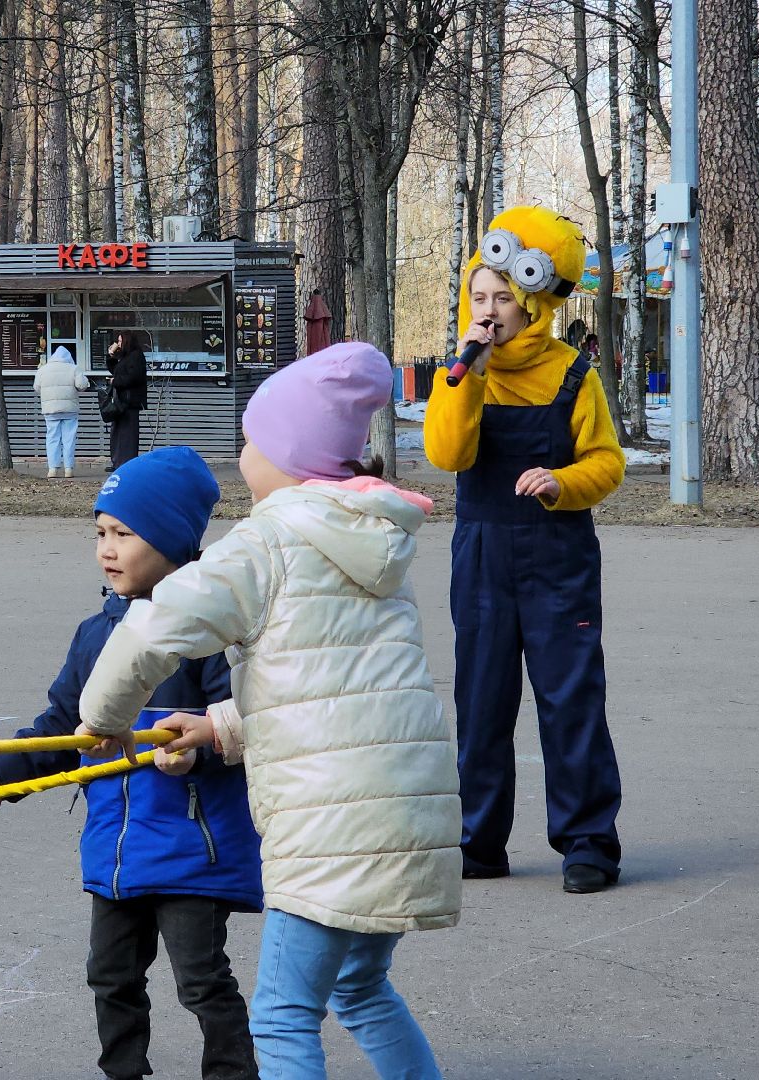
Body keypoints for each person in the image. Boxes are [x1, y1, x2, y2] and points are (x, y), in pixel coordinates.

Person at [76, 343, 461, 1080]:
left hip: (330, 831)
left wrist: (102, 717)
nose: (244, 455)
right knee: (360, 987)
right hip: (405, 816)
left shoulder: (268, 538)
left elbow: (154, 629)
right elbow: (333, 698)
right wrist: (220, 726)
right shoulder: (369, 541)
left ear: (287, 457)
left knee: (283, 1019)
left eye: (252, 441)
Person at [0, 447, 262, 1080]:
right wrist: (1, 774)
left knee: (202, 983)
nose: (107, 548)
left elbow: (242, 728)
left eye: (124, 533)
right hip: (115, 851)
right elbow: (59, 729)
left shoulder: (209, 632)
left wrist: (193, 747)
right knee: (111, 978)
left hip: (190, 853)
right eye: (100, 532)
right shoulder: (95, 633)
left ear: (175, 540)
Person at [424, 206, 628, 894]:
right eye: (478, 297)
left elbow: (607, 464)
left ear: (533, 302)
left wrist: (562, 482)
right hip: (480, 549)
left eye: (503, 299)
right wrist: (468, 374)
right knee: (481, 699)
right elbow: (447, 451)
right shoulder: (461, 370)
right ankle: (478, 839)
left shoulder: (574, 373)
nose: (489, 311)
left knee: (569, 697)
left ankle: (588, 841)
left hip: (557, 553)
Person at [37, 345, 90, 477]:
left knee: (52, 438)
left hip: (50, 410)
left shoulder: (43, 369)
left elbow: (37, 387)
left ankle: (52, 469)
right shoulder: (73, 368)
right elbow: (82, 385)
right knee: (69, 439)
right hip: (69, 409)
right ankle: (68, 469)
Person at [105, 330, 147, 468]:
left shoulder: (136, 356)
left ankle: (127, 462)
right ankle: (117, 461)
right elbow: (116, 370)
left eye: (120, 340)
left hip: (130, 401)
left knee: (128, 434)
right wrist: (111, 356)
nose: (118, 343)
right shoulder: (125, 356)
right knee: (117, 432)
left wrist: (115, 381)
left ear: (127, 340)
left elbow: (134, 377)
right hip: (121, 400)